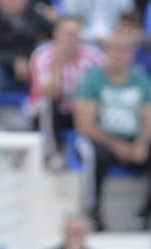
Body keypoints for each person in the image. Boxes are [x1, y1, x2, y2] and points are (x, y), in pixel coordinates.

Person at [73, 29, 151, 232]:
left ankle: (144, 216)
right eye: (113, 50)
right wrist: (116, 145)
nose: (118, 55)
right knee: (94, 156)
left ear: (131, 54)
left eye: (123, 50)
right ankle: (93, 214)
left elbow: (150, 118)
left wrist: (141, 143)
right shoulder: (93, 80)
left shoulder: (141, 80)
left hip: (133, 139)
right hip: (101, 139)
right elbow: (84, 123)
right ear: (106, 52)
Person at [26, 16, 104, 170]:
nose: (72, 39)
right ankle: (53, 154)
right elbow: (48, 91)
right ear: (57, 34)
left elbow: (105, 86)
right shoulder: (42, 55)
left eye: (75, 34)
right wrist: (58, 65)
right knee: (47, 105)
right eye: (68, 34)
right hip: (49, 109)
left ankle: (93, 154)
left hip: (80, 109)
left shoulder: (93, 56)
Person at [0, 0, 53, 130]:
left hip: (31, 69)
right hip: (3, 69)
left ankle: (45, 112)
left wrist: (54, 18)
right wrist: (14, 61)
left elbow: (56, 33)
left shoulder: (32, 14)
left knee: (46, 54)